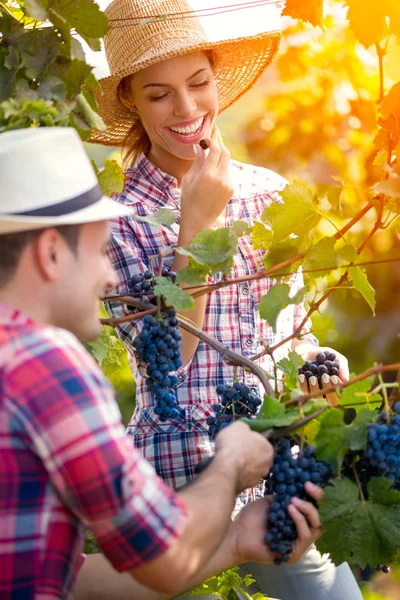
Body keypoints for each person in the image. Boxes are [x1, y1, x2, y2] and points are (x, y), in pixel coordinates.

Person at [91, 1, 362, 599]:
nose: (187, 110)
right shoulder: (114, 224)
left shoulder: (270, 194)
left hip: (277, 474)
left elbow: (289, 339)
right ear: (131, 100)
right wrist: (197, 226)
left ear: (217, 79)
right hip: (179, 484)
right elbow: (171, 359)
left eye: (199, 83)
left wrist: (319, 368)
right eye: (159, 94)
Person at [0, 127, 322, 600]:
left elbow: (73, 579)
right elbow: (165, 560)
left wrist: (234, 542)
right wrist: (231, 463)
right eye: (97, 252)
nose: (110, 278)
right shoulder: (42, 365)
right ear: (51, 253)